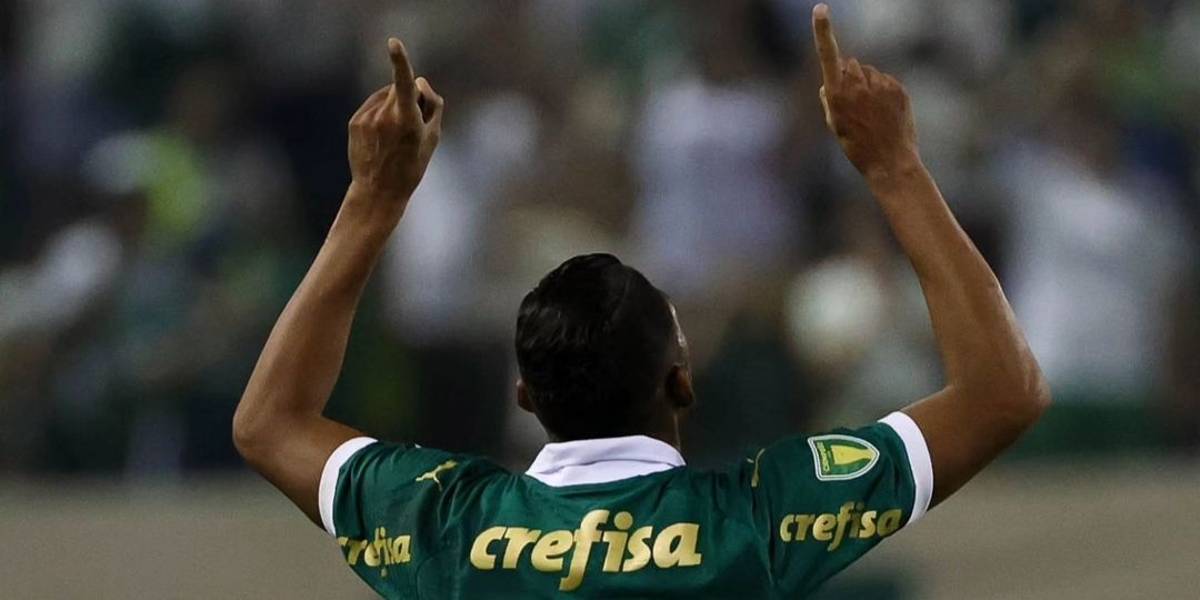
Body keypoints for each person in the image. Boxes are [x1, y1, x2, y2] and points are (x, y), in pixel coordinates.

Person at [233, 5, 1050, 598]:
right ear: (681, 383)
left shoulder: (449, 523)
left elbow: (269, 423)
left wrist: (372, 200)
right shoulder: (755, 522)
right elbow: (1002, 394)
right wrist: (895, 168)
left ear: (527, 395)